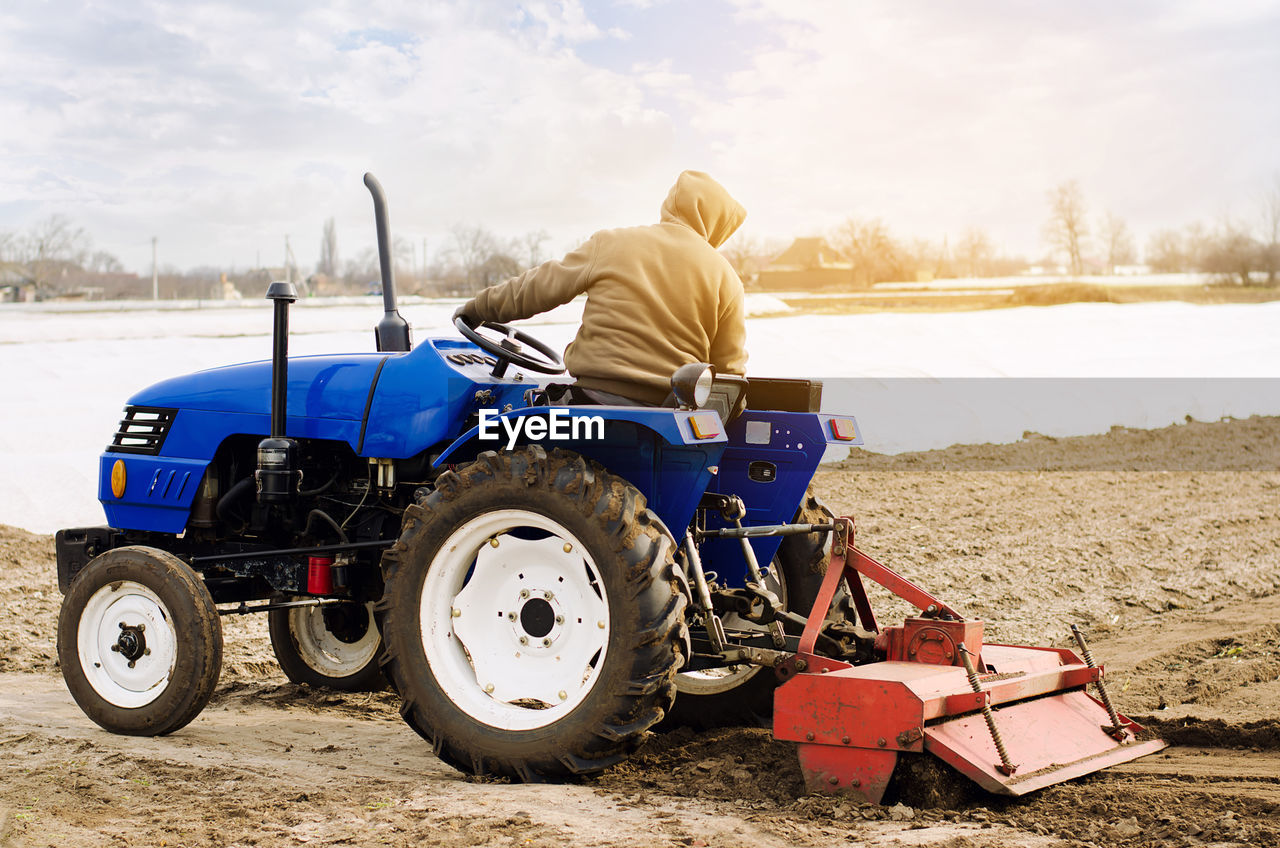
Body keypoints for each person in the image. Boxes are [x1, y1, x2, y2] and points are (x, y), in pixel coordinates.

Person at [455, 170, 748, 406]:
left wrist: (476, 309)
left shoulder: (613, 243)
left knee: (496, 433)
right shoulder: (727, 277)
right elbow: (729, 372)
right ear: (719, 224)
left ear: (671, 204)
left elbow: (535, 289)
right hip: (668, 410)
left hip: (591, 400)